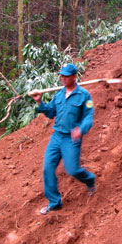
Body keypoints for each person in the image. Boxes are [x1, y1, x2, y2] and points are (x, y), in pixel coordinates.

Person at [30, 63, 96, 215]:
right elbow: (50, 112)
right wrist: (40, 102)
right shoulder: (58, 95)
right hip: (56, 137)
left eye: (67, 76)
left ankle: (89, 180)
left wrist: (81, 129)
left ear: (74, 77)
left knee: (72, 169)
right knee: (47, 168)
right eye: (62, 76)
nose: (63, 79)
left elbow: (89, 116)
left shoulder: (85, 95)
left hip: (71, 140)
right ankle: (54, 202)